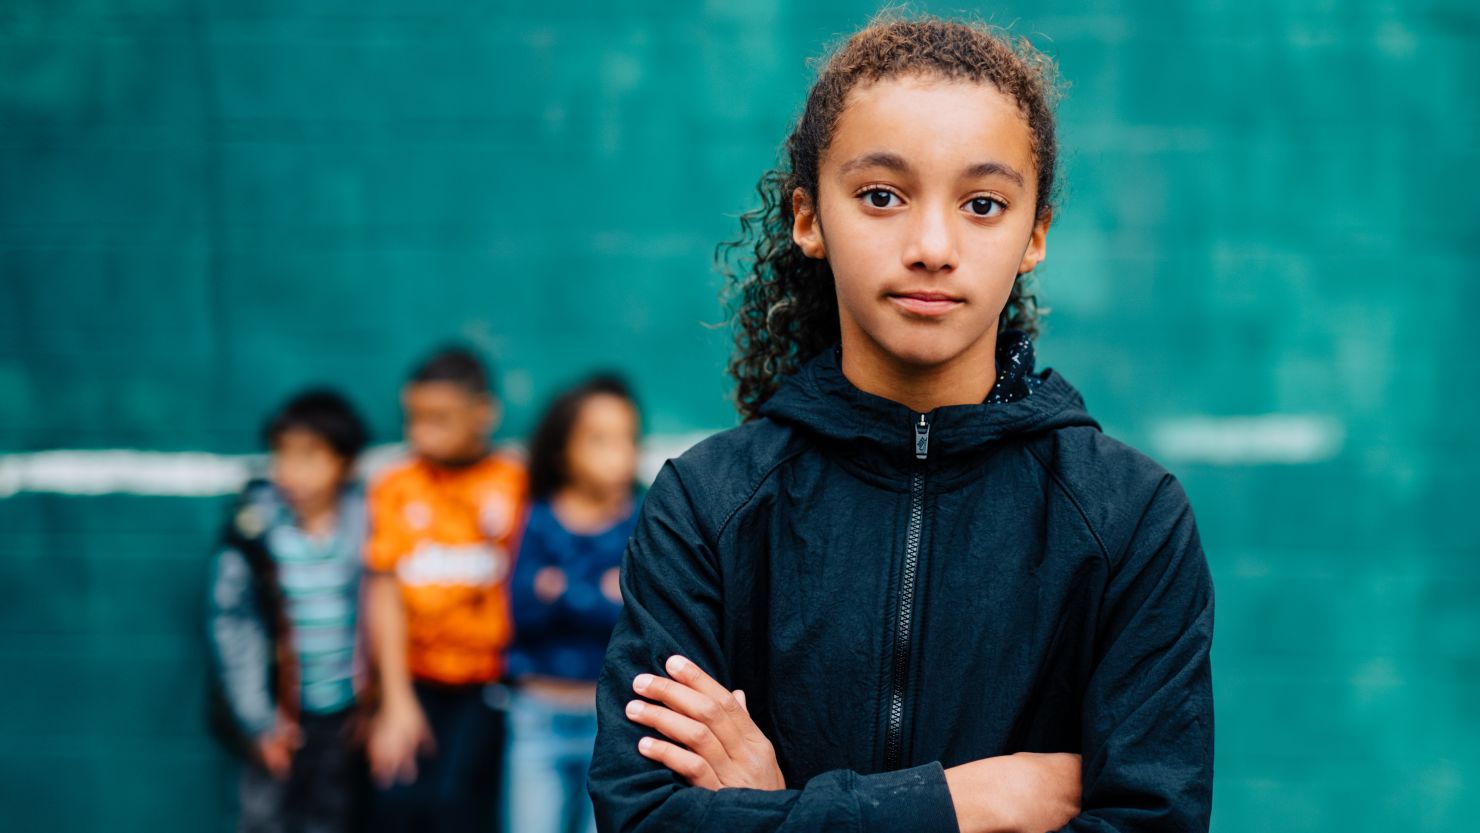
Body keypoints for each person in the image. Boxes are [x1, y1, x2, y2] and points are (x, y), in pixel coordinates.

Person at [588, 14, 1214, 833]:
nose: (932, 244)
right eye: (882, 195)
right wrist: (965, 802)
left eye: (983, 203)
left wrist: (782, 811)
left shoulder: (1130, 519)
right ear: (809, 218)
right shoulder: (707, 508)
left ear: (1037, 235)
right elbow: (642, 820)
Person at [362, 346, 526, 833]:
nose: (420, 432)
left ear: (483, 413)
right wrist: (393, 699)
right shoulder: (395, 485)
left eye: (439, 418)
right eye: (414, 418)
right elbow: (384, 589)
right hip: (414, 681)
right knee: (397, 802)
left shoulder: (515, 483)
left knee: (461, 808)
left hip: (488, 686)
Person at [207, 388, 372, 833]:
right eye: (282, 455)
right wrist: (259, 720)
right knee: (265, 817)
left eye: (309, 457)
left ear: (345, 463)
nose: (290, 472)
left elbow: (379, 617)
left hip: (342, 719)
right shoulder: (254, 532)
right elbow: (233, 625)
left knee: (332, 817)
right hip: (279, 720)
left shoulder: (366, 525)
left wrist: (370, 701)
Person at [507, 375, 643, 833]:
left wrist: (562, 590)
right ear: (563, 453)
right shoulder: (539, 519)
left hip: (609, 723)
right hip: (536, 715)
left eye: (627, 438)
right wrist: (597, 592)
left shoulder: (642, 522)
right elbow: (521, 612)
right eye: (600, 440)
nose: (619, 453)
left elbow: (628, 619)